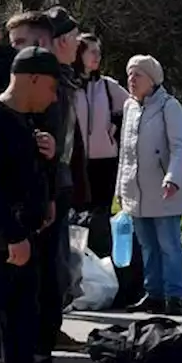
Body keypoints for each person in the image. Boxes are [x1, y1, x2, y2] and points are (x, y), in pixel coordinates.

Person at [0, 47, 85, 363]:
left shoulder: (24, 123)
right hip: (4, 241)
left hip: (25, 238)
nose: (54, 97)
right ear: (31, 78)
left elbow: (21, 175)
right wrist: (12, 235)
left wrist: (47, 167)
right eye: (51, 87)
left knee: (20, 328)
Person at [5, 8, 82, 363]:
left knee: (44, 275)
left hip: (46, 191)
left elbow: (63, 143)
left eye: (20, 43)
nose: (13, 51)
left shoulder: (55, 84)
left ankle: (38, 352)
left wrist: (52, 189)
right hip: (32, 194)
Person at [115, 55, 182, 316]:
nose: (132, 80)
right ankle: (154, 293)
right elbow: (125, 154)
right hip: (136, 191)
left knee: (169, 245)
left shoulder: (170, 106)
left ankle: (174, 296)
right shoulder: (129, 107)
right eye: (130, 74)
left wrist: (172, 178)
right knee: (147, 245)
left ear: (153, 79)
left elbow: (180, 148)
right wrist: (120, 189)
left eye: (138, 75)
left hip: (164, 190)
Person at [72, 34, 130, 253]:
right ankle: (79, 259)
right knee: (76, 214)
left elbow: (132, 107)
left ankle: (102, 258)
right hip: (75, 161)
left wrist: (113, 129)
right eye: (92, 51)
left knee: (101, 214)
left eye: (99, 51)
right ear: (80, 54)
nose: (97, 56)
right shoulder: (68, 85)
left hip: (104, 161)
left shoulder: (107, 86)